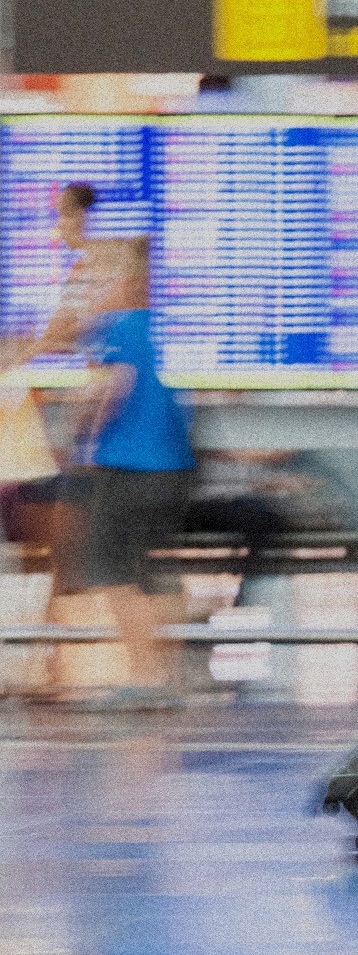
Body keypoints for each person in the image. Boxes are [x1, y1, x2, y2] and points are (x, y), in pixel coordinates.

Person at [67, 236, 197, 709]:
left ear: (123, 280)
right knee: (148, 575)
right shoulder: (163, 329)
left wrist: (81, 434)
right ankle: (166, 677)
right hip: (173, 469)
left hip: (127, 467)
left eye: (102, 277)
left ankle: (144, 678)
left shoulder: (119, 326)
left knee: (115, 573)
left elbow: (113, 388)